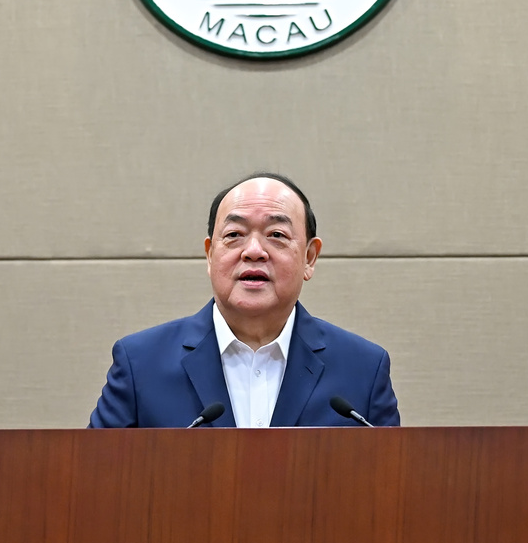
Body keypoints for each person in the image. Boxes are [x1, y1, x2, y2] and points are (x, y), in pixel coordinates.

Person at [89, 173, 399, 428]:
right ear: (210, 254)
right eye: (234, 234)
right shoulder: (141, 365)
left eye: (276, 235)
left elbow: (391, 480)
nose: (253, 251)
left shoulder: (363, 369)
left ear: (309, 257)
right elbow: (96, 475)